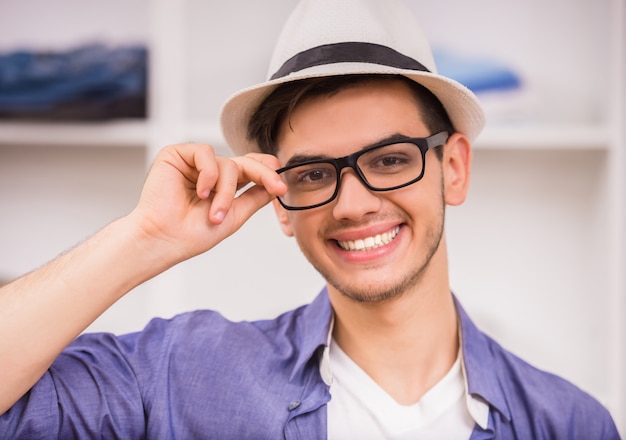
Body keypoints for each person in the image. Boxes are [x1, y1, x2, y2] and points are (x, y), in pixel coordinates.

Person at [0, 0, 620, 439]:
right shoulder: (181, 375)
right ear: (277, 200)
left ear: (453, 168)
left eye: (390, 159)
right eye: (315, 173)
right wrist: (143, 239)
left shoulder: (569, 423)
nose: (352, 203)